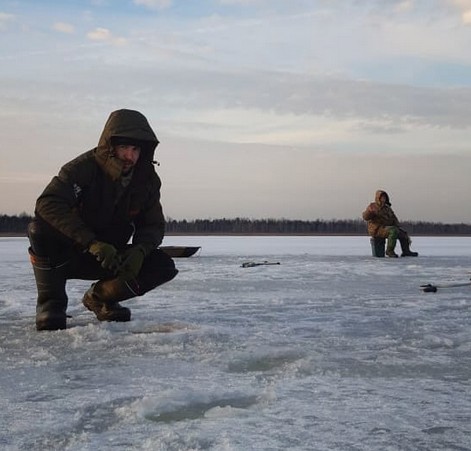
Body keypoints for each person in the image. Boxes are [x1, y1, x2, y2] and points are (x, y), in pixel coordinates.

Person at [27, 109, 178, 331]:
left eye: (136, 149)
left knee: (162, 266)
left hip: (111, 258)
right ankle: (51, 304)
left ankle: (101, 298)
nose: (130, 156)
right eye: (124, 148)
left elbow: (152, 224)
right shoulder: (81, 169)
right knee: (39, 229)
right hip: (69, 253)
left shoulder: (147, 180)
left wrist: (140, 250)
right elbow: (48, 203)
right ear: (110, 146)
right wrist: (91, 242)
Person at [362, 190, 418, 258]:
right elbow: (365, 217)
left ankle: (406, 251)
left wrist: (398, 226)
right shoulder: (372, 206)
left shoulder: (387, 208)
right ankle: (389, 251)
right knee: (393, 230)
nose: (384, 198)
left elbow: (394, 218)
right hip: (377, 229)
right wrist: (369, 212)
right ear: (378, 198)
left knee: (403, 233)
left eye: (385, 197)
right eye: (382, 197)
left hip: (386, 228)